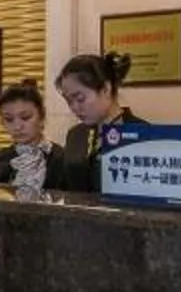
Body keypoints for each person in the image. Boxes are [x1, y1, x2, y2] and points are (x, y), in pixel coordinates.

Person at [55, 51, 141, 190]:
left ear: (106, 89)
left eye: (80, 99)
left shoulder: (142, 134)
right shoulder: (76, 135)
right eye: (69, 101)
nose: (74, 107)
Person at [0, 79, 63, 197]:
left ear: (41, 116)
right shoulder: (0, 158)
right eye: (9, 119)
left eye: (25, 117)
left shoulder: (61, 158)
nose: (17, 126)